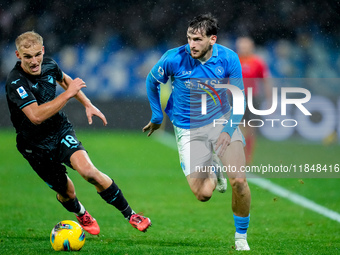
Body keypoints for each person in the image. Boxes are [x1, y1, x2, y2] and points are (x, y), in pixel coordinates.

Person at [6, 31, 151, 235]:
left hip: (58, 130)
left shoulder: (49, 65)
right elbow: (36, 116)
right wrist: (68, 94)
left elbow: (66, 81)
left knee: (88, 171)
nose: (34, 61)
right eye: (27, 56)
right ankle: (81, 212)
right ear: (18, 55)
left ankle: (131, 214)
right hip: (34, 146)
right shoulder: (16, 82)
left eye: (37, 54)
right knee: (66, 193)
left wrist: (88, 104)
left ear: (43, 50)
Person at [143, 14, 251, 251]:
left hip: (221, 121)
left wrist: (228, 129)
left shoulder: (229, 58)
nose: (192, 44)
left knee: (240, 182)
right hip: (187, 127)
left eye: (198, 39)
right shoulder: (173, 58)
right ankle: (213, 167)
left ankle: (241, 238)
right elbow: (152, 82)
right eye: (189, 38)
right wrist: (157, 116)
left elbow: (240, 99)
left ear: (212, 39)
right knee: (203, 194)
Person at [236, 36, 272, 165]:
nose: (243, 48)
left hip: (252, 97)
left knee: (251, 129)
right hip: (236, 97)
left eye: (245, 46)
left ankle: (248, 157)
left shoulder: (257, 62)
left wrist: (269, 98)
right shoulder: (234, 60)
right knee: (236, 128)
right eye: (241, 46)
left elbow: (266, 80)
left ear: (251, 47)